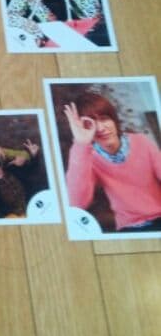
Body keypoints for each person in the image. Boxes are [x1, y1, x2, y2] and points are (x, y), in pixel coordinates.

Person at [64, 92, 161, 232]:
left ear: (114, 119)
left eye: (104, 119)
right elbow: (77, 203)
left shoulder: (141, 141)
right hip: (131, 227)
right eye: (90, 123)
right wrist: (81, 144)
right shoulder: (88, 158)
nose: (100, 128)